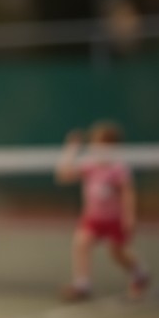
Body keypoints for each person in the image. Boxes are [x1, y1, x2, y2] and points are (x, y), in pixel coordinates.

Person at [55, 121, 150, 303]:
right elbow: (63, 175)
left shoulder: (118, 169)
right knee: (81, 243)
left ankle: (139, 273)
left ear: (114, 147)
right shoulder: (89, 165)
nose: (98, 148)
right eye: (95, 144)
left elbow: (127, 194)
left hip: (114, 219)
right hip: (93, 218)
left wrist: (129, 217)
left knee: (117, 253)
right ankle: (82, 285)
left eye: (103, 145)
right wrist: (71, 149)